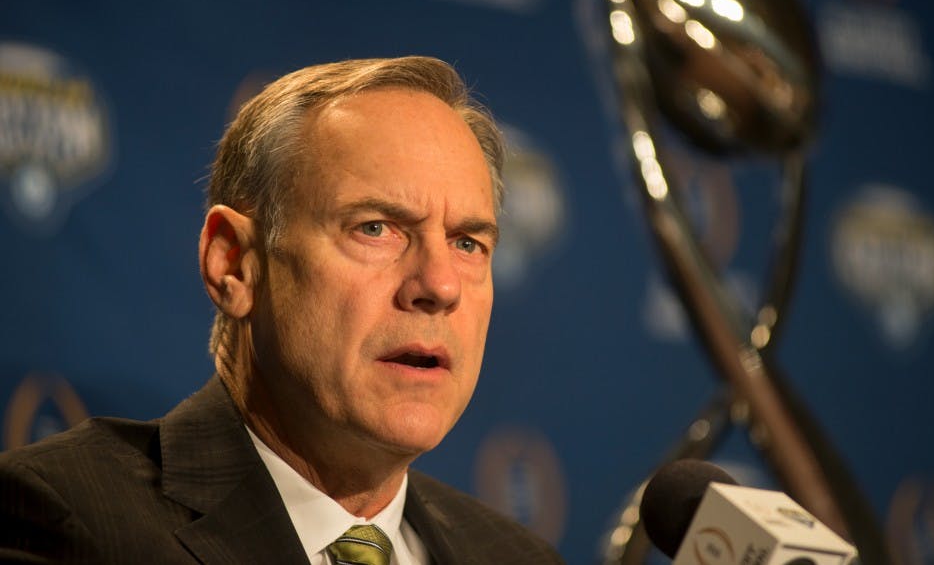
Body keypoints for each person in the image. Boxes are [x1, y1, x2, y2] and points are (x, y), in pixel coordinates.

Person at [0, 57, 565, 564]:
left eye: (468, 243)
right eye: (376, 228)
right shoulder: (67, 520)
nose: (440, 285)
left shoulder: (518, 557)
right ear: (235, 263)